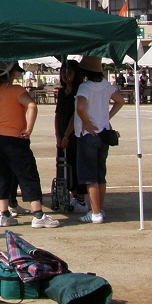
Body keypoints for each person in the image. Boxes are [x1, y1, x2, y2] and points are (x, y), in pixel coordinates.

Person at [0, 62, 58, 229]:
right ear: (10, 74)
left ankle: (4, 214)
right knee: (28, 174)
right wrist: (28, 129)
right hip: (16, 138)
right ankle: (38, 214)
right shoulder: (16, 90)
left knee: (0, 175)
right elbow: (32, 105)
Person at [74, 56, 125, 224]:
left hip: (89, 135)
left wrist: (86, 122)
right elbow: (120, 101)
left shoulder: (85, 86)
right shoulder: (106, 85)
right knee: (100, 175)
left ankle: (95, 213)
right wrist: (107, 116)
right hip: (104, 133)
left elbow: (80, 107)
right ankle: (98, 209)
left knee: (90, 177)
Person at [55, 60, 88, 212]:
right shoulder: (62, 92)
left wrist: (66, 135)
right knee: (65, 166)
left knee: (76, 166)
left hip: (75, 135)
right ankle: (74, 196)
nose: (66, 75)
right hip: (63, 135)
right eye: (63, 72)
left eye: (70, 72)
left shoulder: (79, 91)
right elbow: (57, 114)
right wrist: (58, 135)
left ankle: (81, 199)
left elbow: (76, 116)